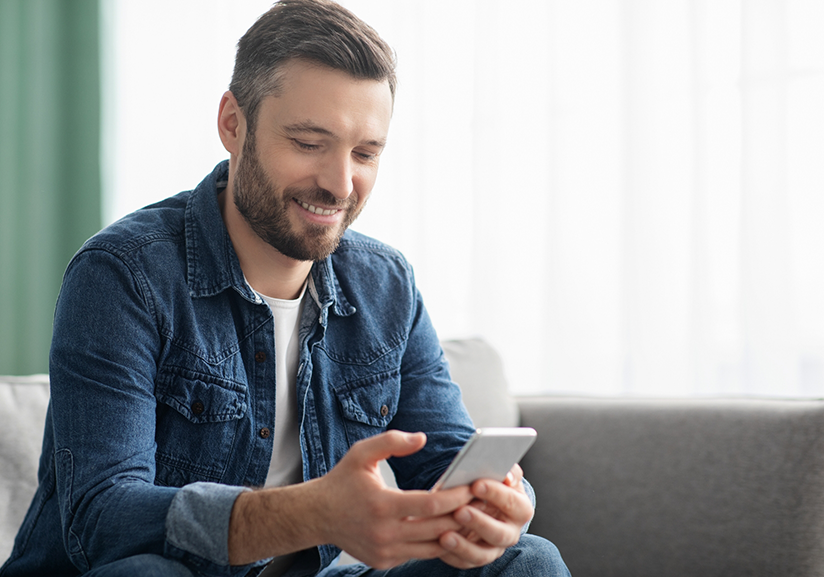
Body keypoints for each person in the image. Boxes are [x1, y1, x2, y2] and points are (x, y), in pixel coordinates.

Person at [0, 1, 570, 576]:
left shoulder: (385, 284)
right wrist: (311, 514)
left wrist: (497, 509)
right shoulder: (124, 274)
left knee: (527, 560)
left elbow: (448, 463)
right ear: (232, 123)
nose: (340, 183)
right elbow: (100, 519)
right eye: (308, 142)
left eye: (366, 153)